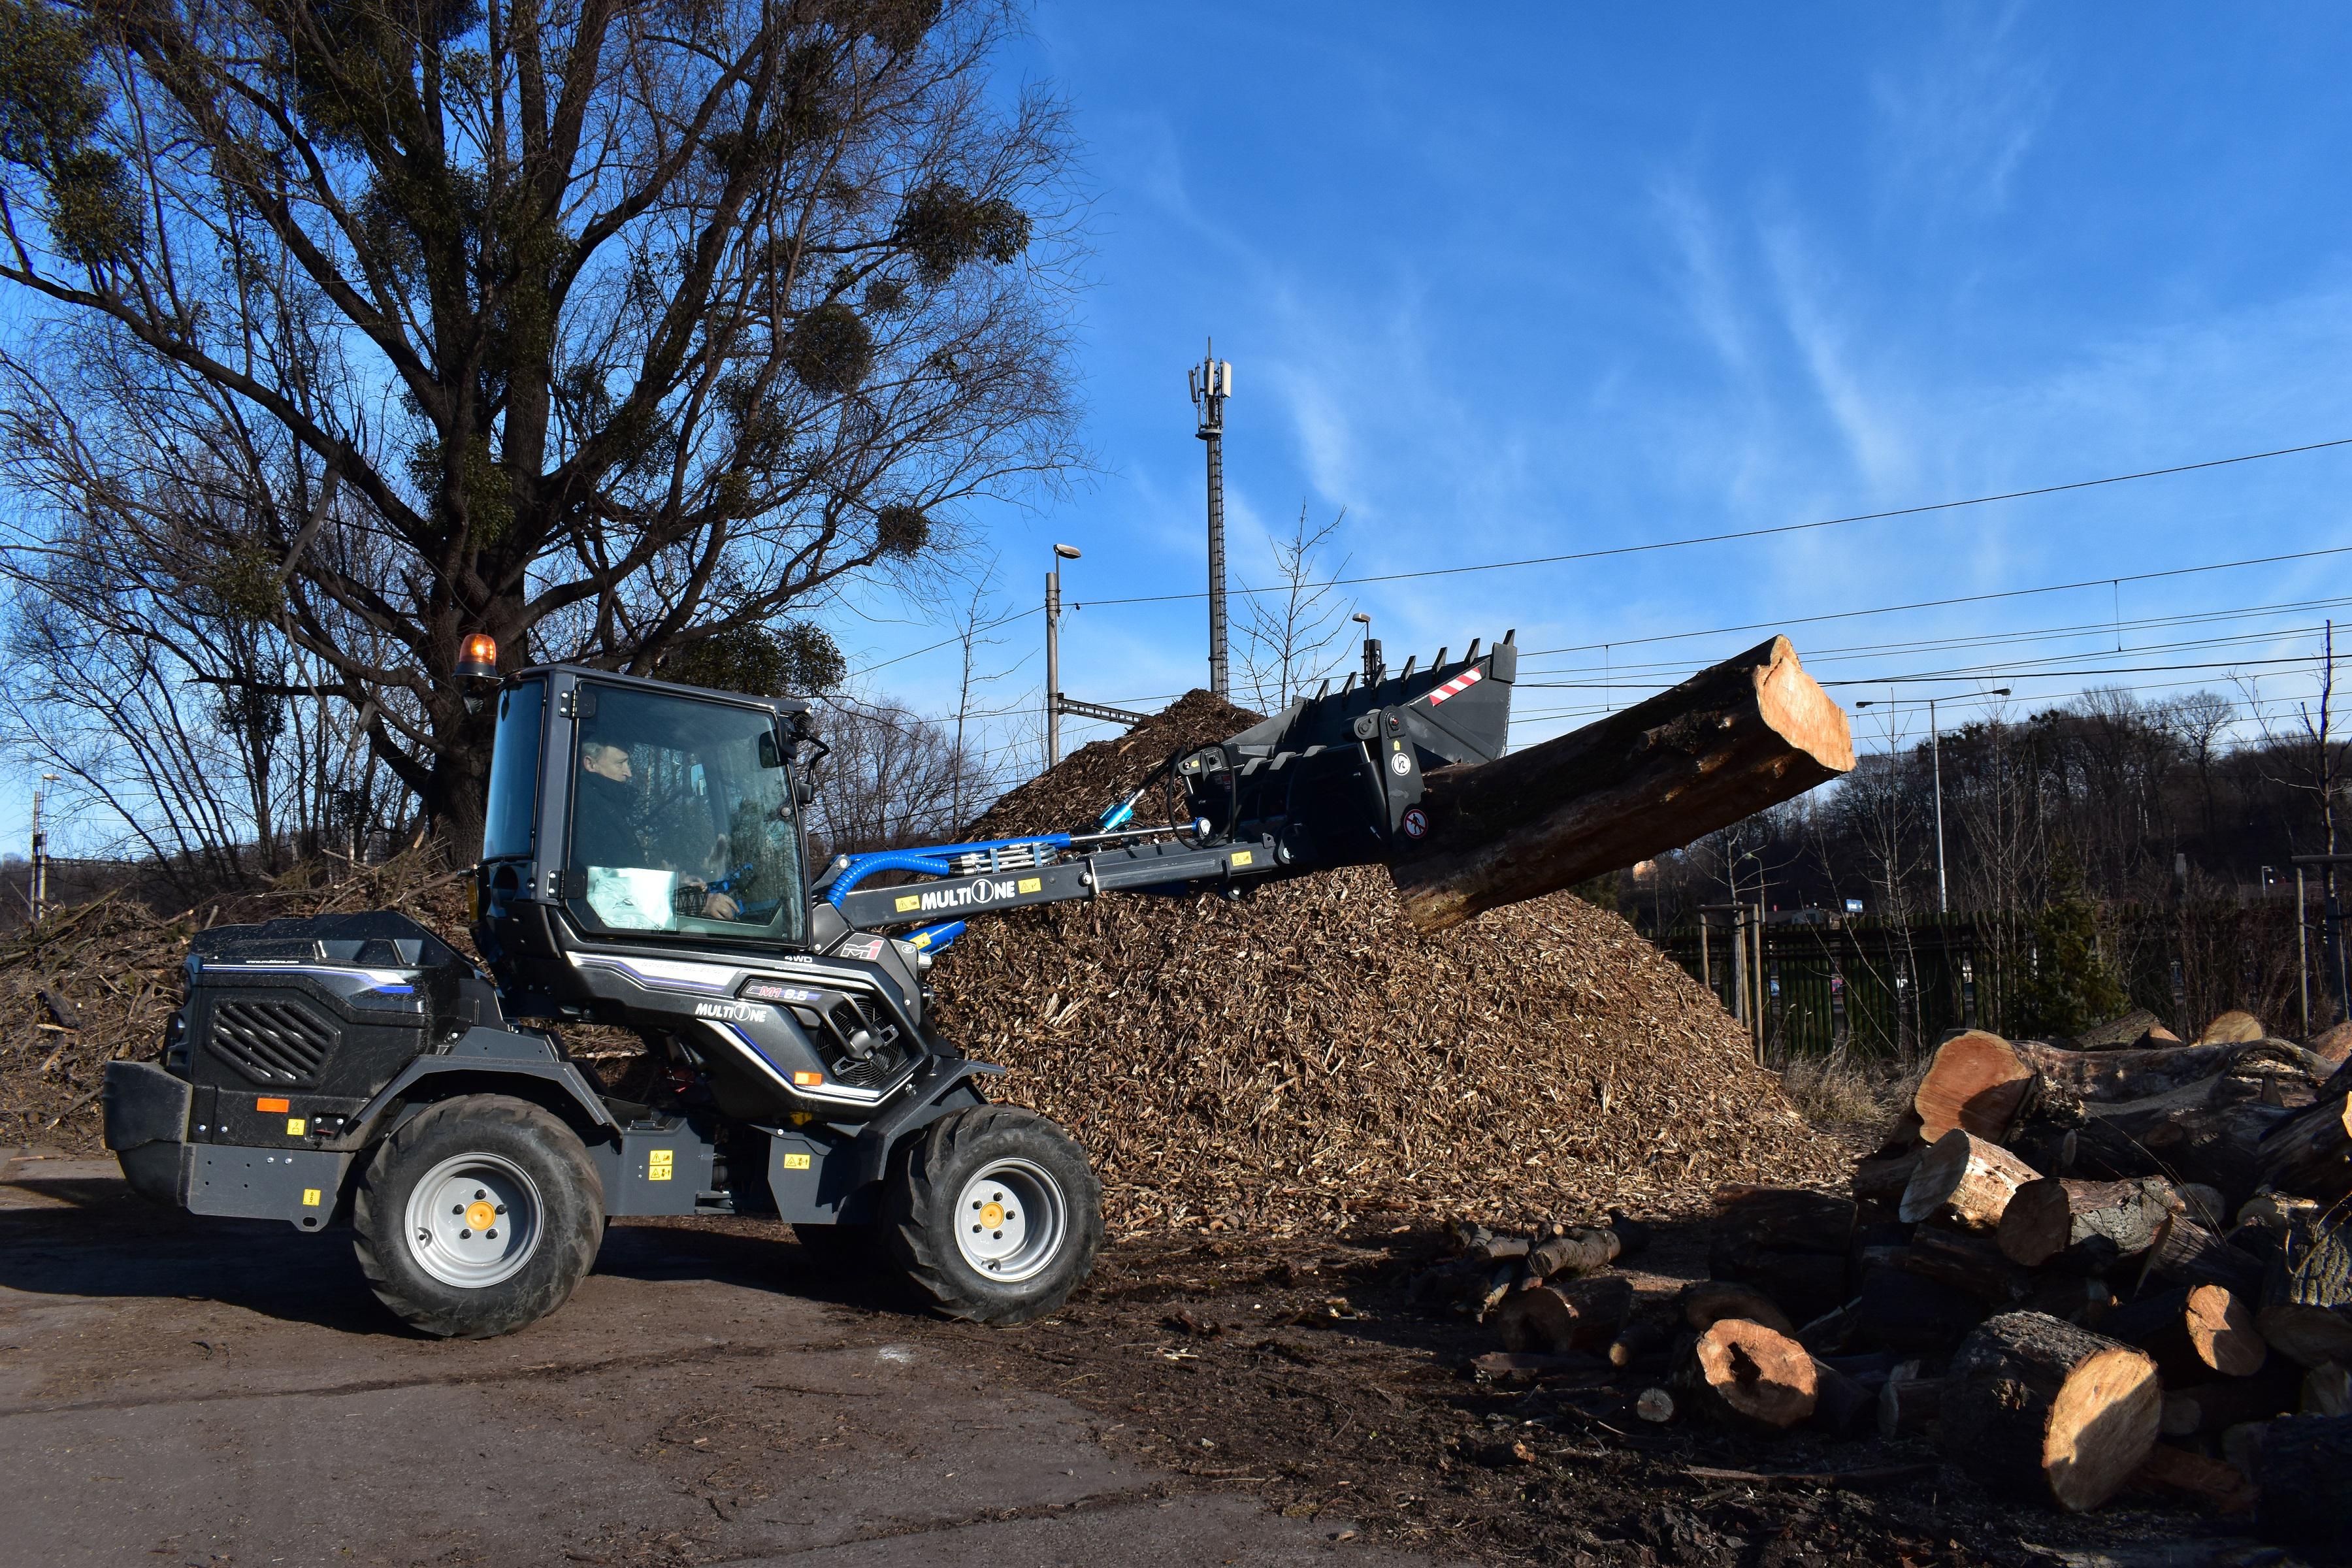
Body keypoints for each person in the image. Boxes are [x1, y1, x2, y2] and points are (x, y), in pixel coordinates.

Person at [570, 740, 739, 920]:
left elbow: (623, 876)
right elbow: (610, 893)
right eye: (620, 763)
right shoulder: (589, 810)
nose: (629, 773)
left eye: (628, 763)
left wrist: (673, 886)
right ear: (590, 764)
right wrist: (699, 902)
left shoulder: (600, 807)